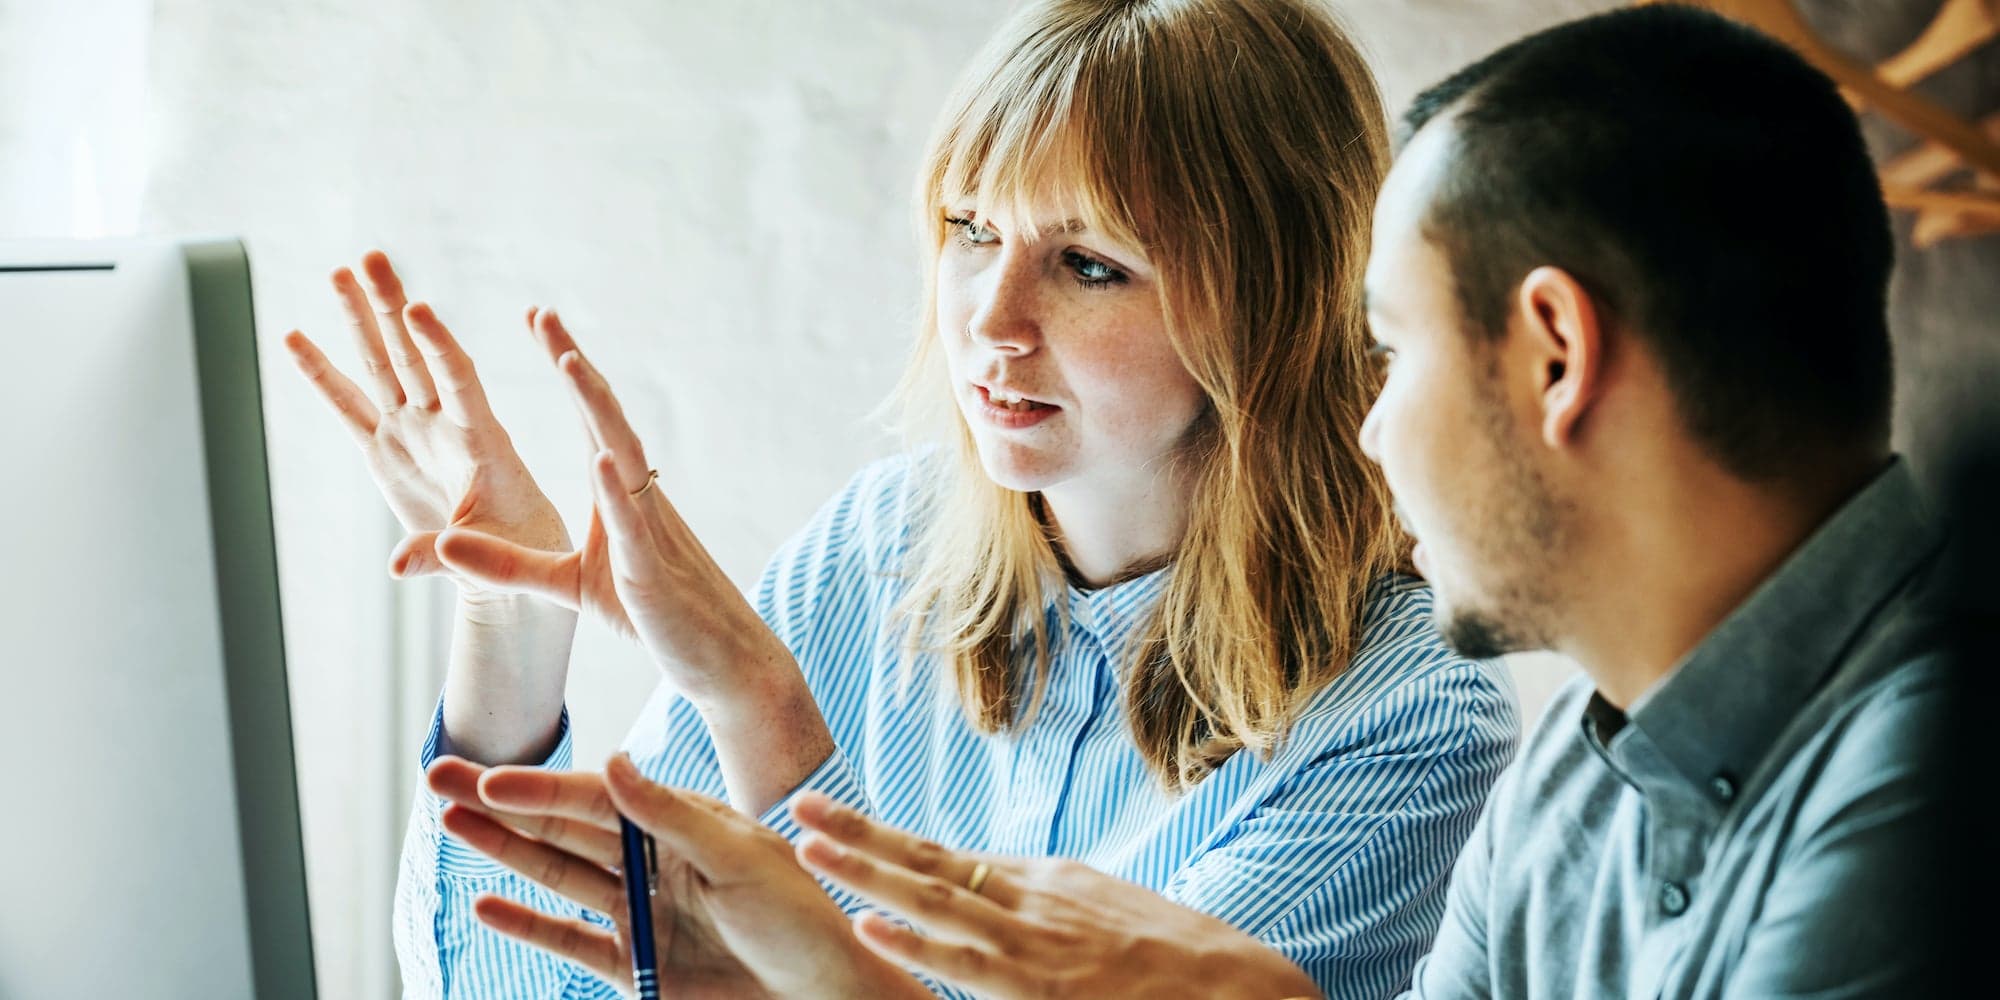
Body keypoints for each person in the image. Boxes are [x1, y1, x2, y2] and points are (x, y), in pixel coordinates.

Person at [434, 4, 1955, 998]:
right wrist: (516, 628)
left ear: (1553, 355)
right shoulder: (1582, 785)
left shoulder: (1929, 786)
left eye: (1396, 346)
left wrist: (781, 790)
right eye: (971, 233)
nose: (1371, 428)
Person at [284, 0, 1520, 996]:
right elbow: (526, 985)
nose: (990, 319)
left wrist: (762, 708)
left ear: (1277, 306)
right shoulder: (880, 547)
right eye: (968, 229)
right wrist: (511, 628)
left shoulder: (1411, 715)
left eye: (1088, 264)